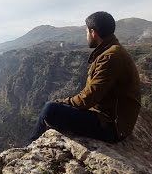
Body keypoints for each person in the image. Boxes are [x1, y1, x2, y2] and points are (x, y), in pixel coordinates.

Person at [30, 11, 141, 143]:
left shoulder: (110, 57)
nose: (86, 36)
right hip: (110, 119)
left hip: (112, 127)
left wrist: (62, 102)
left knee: (50, 109)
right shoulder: (113, 51)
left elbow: (88, 99)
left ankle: (29, 146)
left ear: (93, 33)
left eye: (87, 32)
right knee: (54, 108)